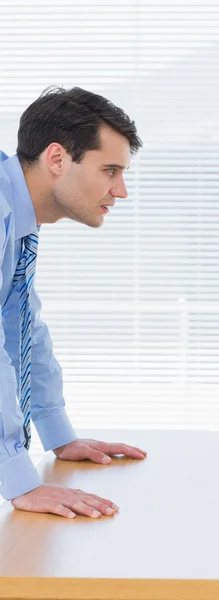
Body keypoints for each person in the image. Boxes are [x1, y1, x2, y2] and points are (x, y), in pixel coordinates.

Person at [0, 86, 147, 520]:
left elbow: (21, 323)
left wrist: (57, 434)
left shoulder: (16, 216)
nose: (120, 190)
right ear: (57, 159)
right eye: (110, 170)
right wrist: (18, 480)